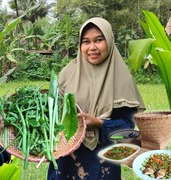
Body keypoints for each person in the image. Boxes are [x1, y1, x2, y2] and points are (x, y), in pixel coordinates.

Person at [47, 18, 145, 179]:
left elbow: (127, 128)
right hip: (66, 156)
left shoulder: (121, 79)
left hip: (102, 160)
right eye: (86, 42)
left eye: (99, 40)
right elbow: (53, 115)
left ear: (109, 41)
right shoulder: (68, 74)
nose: (92, 47)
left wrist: (99, 123)